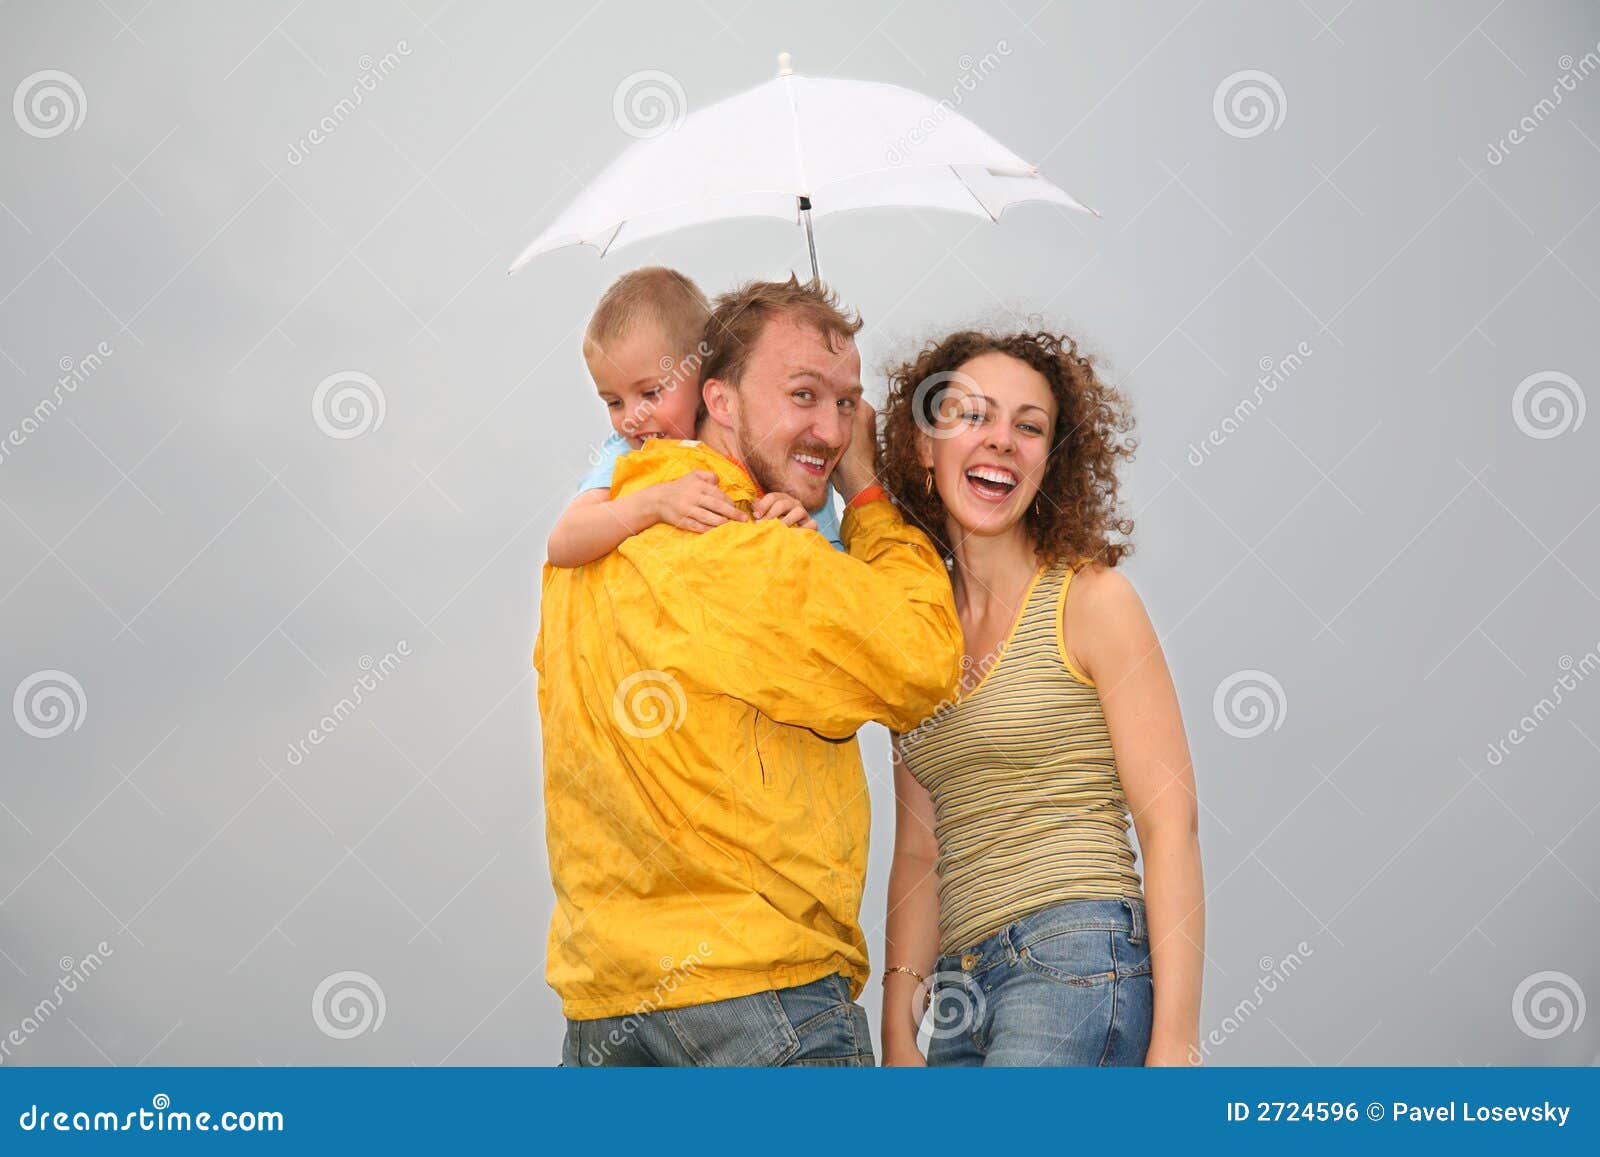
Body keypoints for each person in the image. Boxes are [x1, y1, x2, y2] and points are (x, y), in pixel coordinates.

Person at [534, 276, 964, 1066]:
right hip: (757, 992)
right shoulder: (740, 541)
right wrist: (865, 491)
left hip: (605, 1004)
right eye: (802, 393)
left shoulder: (599, 533)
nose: (832, 427)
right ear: (719, 400)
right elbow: (924, 658)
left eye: (846, 403)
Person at [875, 329, 1205, 1067]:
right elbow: (921, 849)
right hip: (962, 992)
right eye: (974, 417)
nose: (1002, 441)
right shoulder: (912, 642)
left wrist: (1177, 1044)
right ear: (924, 446)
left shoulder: (1093, 601)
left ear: (1049, 463)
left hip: (1076, 959)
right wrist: (899, 1023)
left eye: (1029, 427)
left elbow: (1171, 825)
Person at [545, 265, 842, 567]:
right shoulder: (625, 453)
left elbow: (837, 567)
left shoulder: (755, 440)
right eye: (613, 402)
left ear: (701, 371)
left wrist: (795, 519)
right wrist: (654, 502)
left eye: (650, 393)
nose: (632, 417)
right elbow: (563, 544)